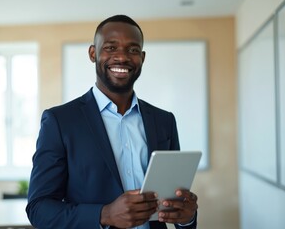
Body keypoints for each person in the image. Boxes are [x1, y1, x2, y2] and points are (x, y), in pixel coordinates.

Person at [26, 15, 198, 229]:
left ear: (142, 58)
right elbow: (38, 209)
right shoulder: (60, 121)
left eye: (133, 50)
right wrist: (104, 214)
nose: (122, 57)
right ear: (93, 53)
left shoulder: (164, 121)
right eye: (110, 47)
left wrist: (187, 217)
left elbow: (173, 203)